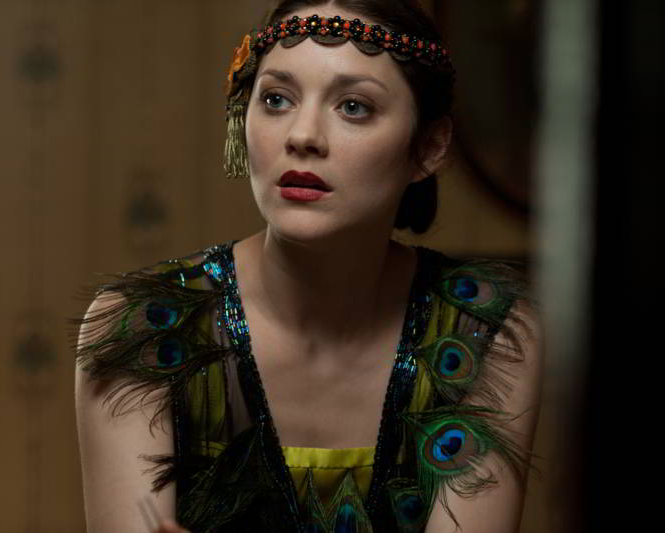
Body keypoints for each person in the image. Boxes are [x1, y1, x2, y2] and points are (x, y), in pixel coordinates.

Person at [74, 1, 542, 532]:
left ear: (429, 147)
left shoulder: (486, 329)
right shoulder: (142, 325)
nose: (302, 136)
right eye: (276, 99)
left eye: (354, 107)